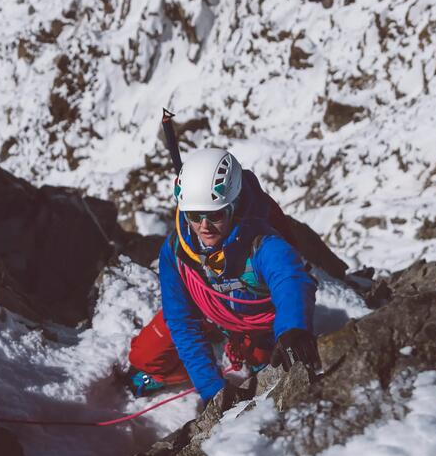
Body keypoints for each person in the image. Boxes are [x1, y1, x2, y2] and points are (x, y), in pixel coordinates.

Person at [128, 148, 321, 407]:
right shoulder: (177, 251)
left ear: (234, 206)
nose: (204, 226)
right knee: (144, 356)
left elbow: (290, 279)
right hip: (211, 315)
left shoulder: (261, 242)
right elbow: (181, 320)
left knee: (267, 361)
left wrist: (293, 329)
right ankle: (206, 362)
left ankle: (238, 352)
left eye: (215, 214)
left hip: (255, 325)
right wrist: (211, 388)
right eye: (195, 216)